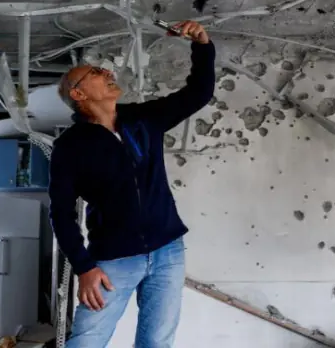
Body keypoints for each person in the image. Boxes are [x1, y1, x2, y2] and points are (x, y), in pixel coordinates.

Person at [49, 21, 215, 348]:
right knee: (86, 341)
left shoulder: (143, 118)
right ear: (78, 94)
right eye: (95, 72)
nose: (106, 72)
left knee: (157, 342)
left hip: (167, 251)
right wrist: (84, 268)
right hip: (114, 258)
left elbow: (199, 93)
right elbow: (61, 213)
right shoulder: (69, 147)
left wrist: (202, 45)